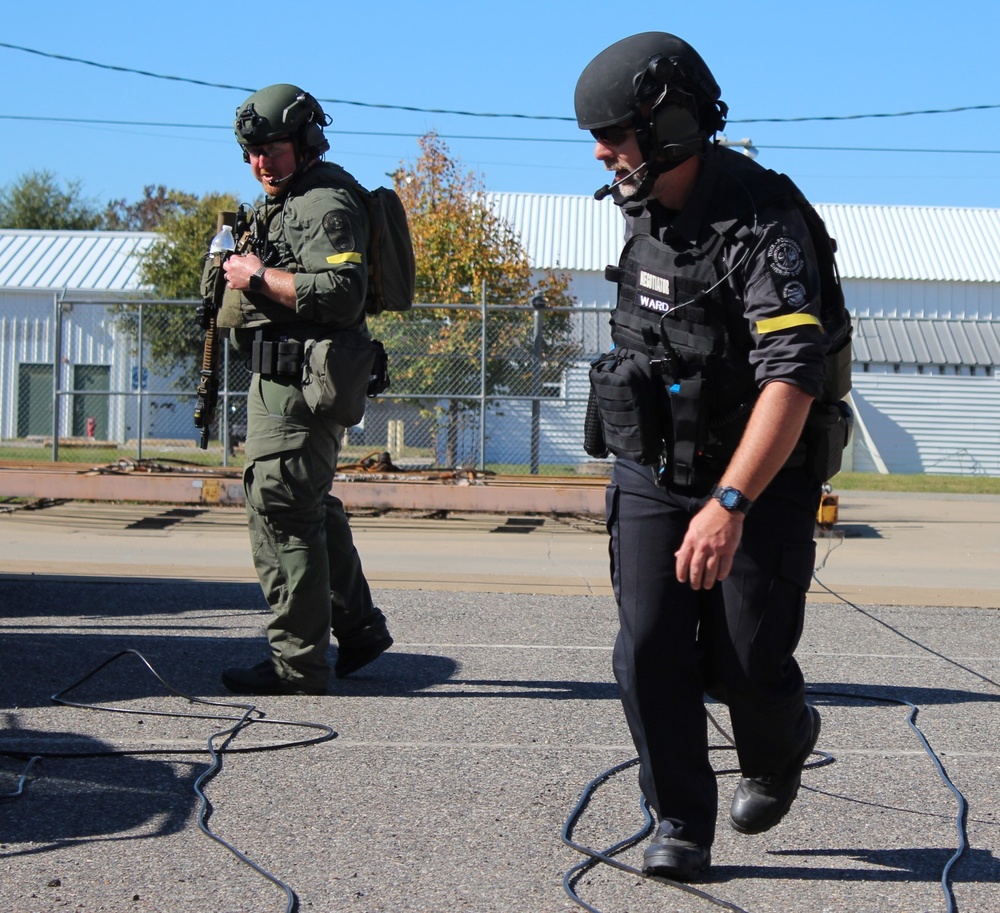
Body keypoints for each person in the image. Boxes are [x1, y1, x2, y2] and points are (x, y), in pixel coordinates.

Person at [576, 33, 832, 881]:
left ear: (675, 124)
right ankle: (680, 818)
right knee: (648, 642)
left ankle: (782, 735)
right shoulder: (642, 209)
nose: (605, 152)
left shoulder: (766, 222)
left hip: (759, 474)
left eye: (617, 132)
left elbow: (792, 375)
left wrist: (730, 504)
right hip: (654, 464)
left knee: (742, 659)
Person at [212, 83, 393, 696]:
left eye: (271, 148)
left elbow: (341, 293)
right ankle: (358, 627)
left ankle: (299, 663)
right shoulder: (288, 199)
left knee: (283, 512)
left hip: (300, 385)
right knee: (306, 506)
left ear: (306, 140)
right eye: (251, 152)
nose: (260, 162)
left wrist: (257, 275)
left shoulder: (324, 202)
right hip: (280, 381)